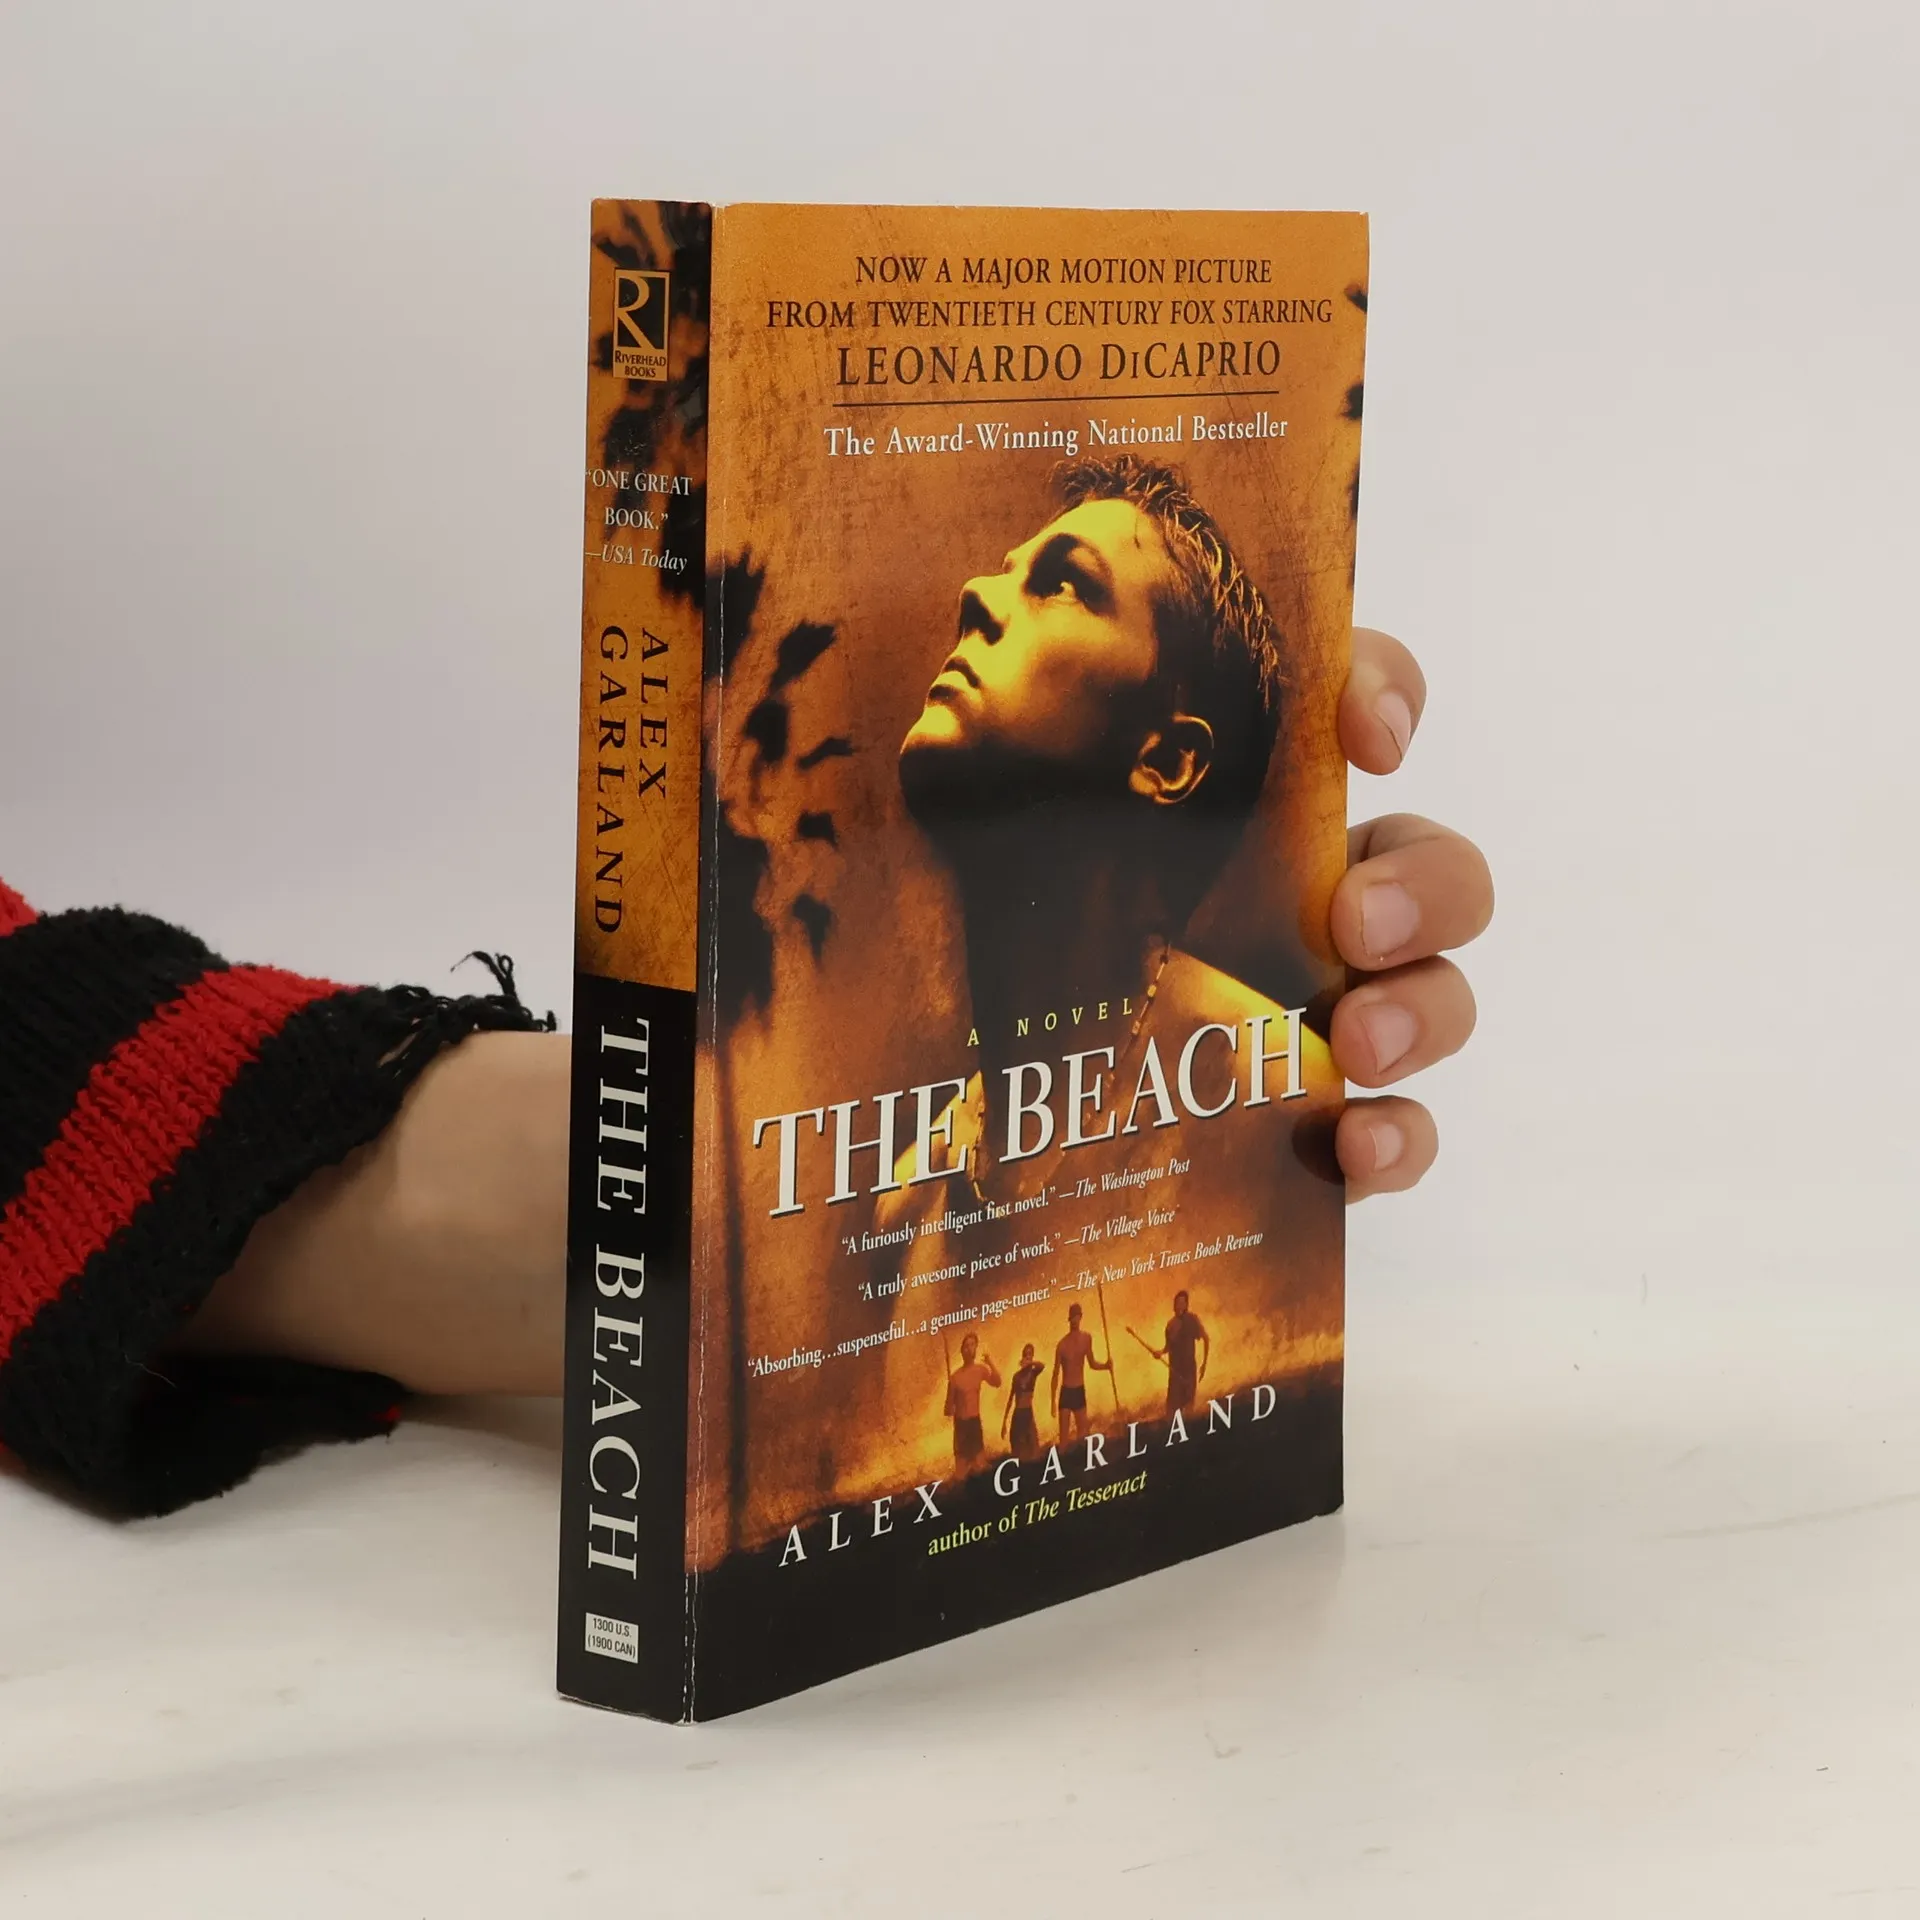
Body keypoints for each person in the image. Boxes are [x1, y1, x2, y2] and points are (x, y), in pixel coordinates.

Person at [0, 602, 1490, 1515]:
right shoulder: (902, 1094)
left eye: (1062, 586)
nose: (980, 591)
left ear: (1166, 760)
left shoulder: (1171, 1046)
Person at [1138, 1289, 1210, 1417]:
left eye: (1182, 1303)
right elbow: (1168, 1347)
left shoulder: (1192, 1320)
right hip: (1175, 1371)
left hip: (1189, 1370)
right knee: (1172, 1408)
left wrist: (1204, 1364)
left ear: (1186, 1305)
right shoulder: (1171, 1325)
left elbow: (1206, 1338)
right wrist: (1160, 1353)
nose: (1179, 1306)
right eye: (1177, 1303)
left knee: (1189, 1407)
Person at [1050, 1303, 1112, 1444]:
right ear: (1069, 1319)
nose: (1074, 1320)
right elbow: (1055, 1374)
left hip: (1079, 1391)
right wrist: (1053, 1401)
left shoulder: (1086, 1338)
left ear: (1081, 1317)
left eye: (1077, 1316)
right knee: (1063, 1441)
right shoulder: (1062, 1345)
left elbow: (1092, 1364)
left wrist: (1106, 1366)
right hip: (1066, 1392)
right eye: (1072, 1317)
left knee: (1083, 1437)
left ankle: (1081, 1456)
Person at [944, 1333, 1001, 1470]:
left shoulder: (980, 1370)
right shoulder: (955, 1378)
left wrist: (990, 1362)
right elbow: (947, 1410)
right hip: (961, 1426)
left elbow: (997, 1382)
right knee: (962, 1469)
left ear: (976, 1347)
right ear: (962, 1351)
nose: (969, 1348)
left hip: (974, 1423)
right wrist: (951, 1408)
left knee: (980, 1465)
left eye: (972, 1345)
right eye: (966, 1346)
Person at [1003, 1342, 1044, 1461]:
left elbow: (1042, 1365)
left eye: (1030, 1354)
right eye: (1025, 1354)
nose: (1027, 1356)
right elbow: (1010, 1398)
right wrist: (1004, 1421)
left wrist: (1030, 1363)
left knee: (1034, 1447)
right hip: (1018, 1414)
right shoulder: (1016, 1376)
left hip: (1028, 1412)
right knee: (1016, 1446)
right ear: (1022, 1356)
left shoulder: (1033, 1373)